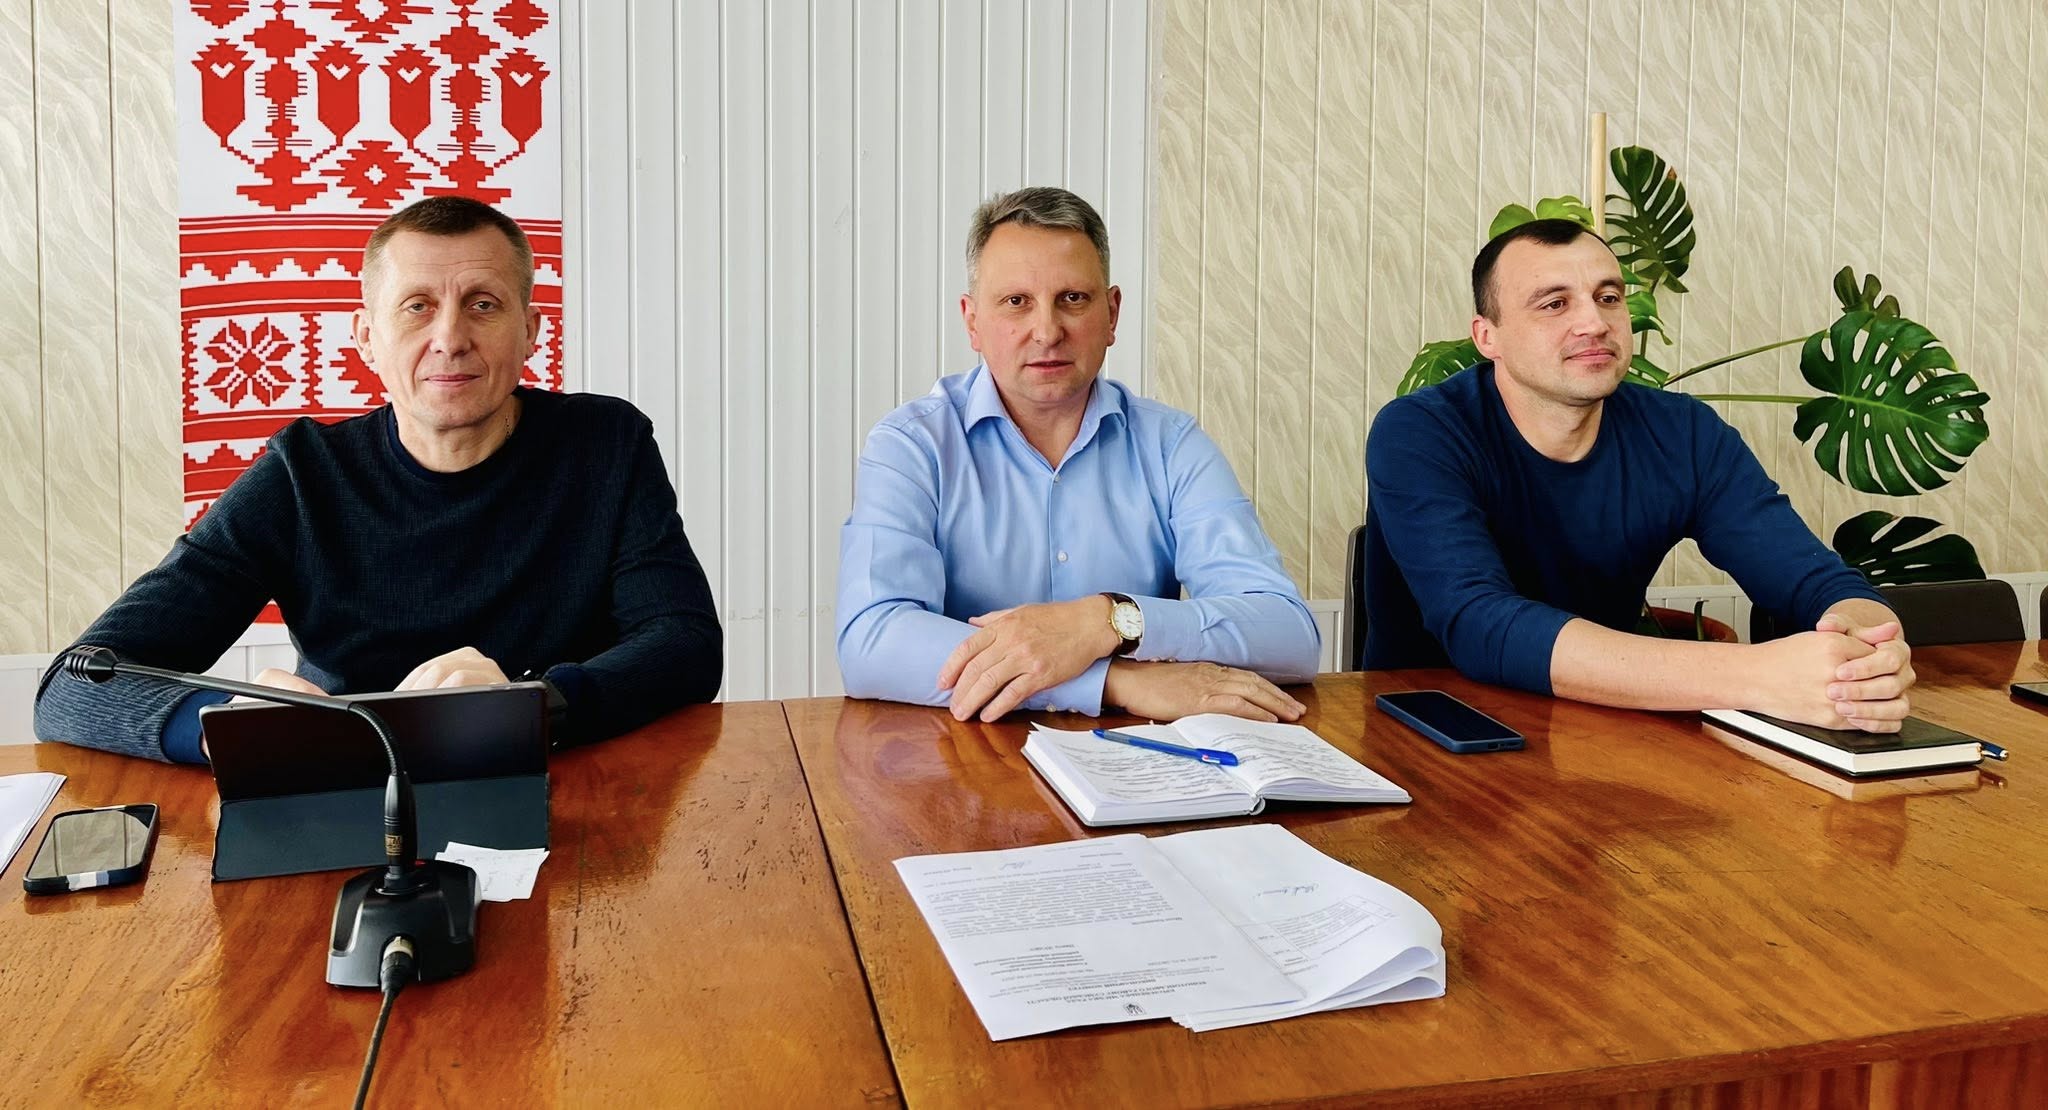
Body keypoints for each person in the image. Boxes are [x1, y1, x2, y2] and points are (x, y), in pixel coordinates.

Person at [35, 196, 723, 761]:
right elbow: (72, 686)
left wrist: (535, 703)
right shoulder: (302, 475)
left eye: (483, 304)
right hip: (340, 789)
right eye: (417, 306)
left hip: (566, 778)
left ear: (531, 331)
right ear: (366, 337)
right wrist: (225, 726)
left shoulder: (606, 444)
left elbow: (685, 642)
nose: (450, 337)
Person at [1362, 218, 1914, 732]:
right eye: (1555, 304)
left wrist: (1870, 651)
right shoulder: (1420, 431)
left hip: (1605, 730)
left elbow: (1815, 581)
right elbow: (1480, 623)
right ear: (1489, 337)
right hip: (1433, 731)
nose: (1594, 323)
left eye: (1608, 298)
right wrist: (1754, 676)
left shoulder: (1685, 433)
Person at [836, 186, 1320, 725]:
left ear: (1111, 314)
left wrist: (1106, 620)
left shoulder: (1171, 444)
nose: (1047, 332)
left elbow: (1289, 636)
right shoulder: (911, 445)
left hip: (1141, 762)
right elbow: (870, 641)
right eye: (1016, 302)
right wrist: (1111, 680)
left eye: (1072, 298)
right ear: (972, 321)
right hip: (965, 753)